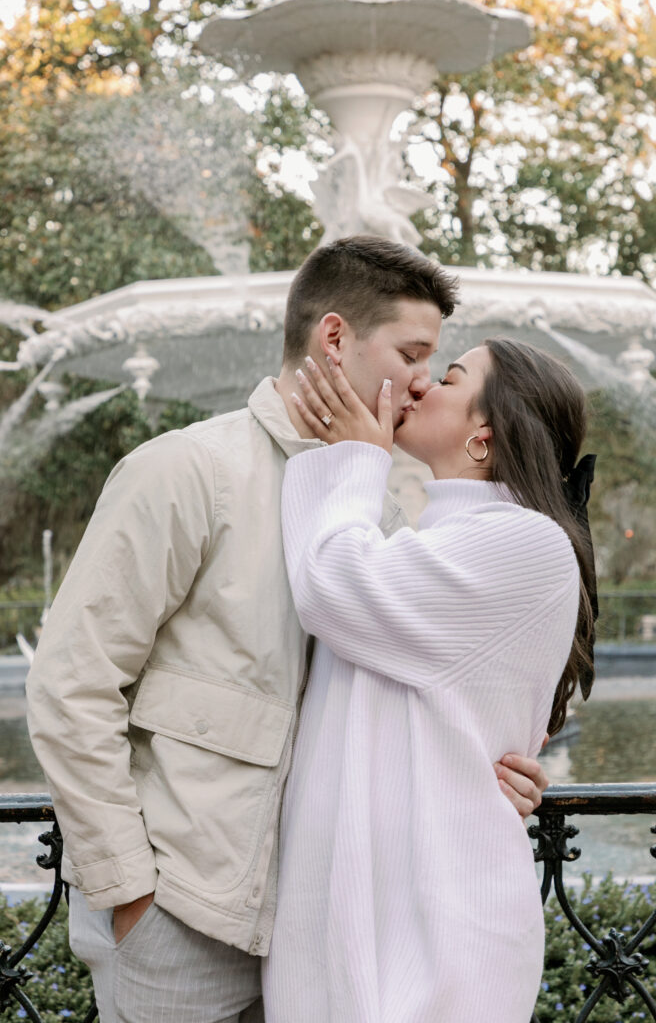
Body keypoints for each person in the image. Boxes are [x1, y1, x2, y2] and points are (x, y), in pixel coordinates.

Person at [26, 237, 550, 1023]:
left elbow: (403, 708)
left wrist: (481, 772)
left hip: (326, 938)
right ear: (334, 339)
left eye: (435, 363)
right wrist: (130, 892)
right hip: (185, 924)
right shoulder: (185, 471)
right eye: (412, 352)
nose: (420, 380)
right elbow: (71, 686)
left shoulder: (370, 505)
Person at [262, 337, 596, 1022]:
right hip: (379, 910)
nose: (416, 386)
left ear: (484, 436)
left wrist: (355, 457)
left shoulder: (525, 544)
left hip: (440, 927)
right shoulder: (435, 541)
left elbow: (330, 587)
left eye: (446, 376)